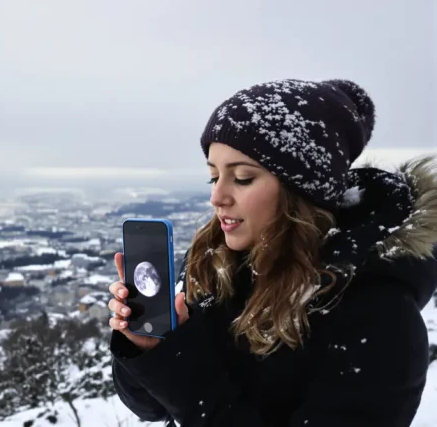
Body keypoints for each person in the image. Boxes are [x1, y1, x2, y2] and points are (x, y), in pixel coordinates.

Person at [108, 79, 437, 427]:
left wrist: (188, 383)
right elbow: (153, 408)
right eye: (213, 176)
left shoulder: (379, 318)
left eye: (243, 178)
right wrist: (149, 346)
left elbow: (191, 401)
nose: (216, 197)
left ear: (303, 190)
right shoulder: (211, 264)